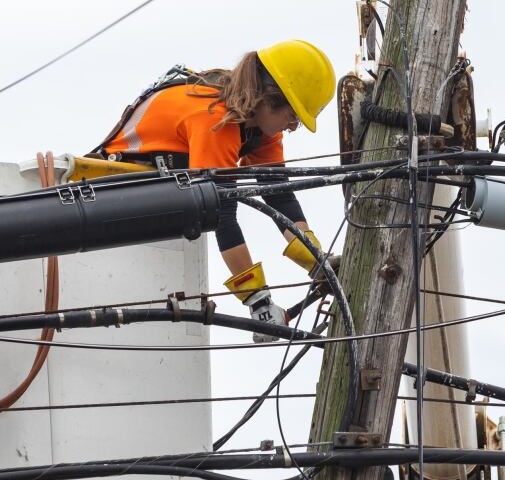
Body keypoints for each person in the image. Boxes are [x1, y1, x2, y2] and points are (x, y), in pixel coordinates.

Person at [91, 40, 336, 342]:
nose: (293, 127)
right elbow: (222, 215)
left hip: (162, 190)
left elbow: (279, 195)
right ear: (270, 98)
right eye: (293, 116)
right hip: (115, 188)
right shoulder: (216, 120)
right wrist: (257, 300)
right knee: (217, 204)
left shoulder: (258, 128)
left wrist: (317, 262)